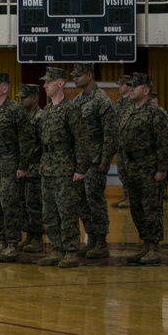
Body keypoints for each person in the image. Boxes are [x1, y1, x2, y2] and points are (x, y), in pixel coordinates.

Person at [36, 67, 91, 268]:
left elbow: (82, 140)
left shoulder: (71, 109)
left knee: (66, 211)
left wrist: (80, 168)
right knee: (49, 212)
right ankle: (56, 249)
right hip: (48, 168)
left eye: (48, 82)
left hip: (65, 169)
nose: (45, 86)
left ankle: (70, 251)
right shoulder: (46, 111)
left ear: (60, 83)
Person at [0, 73, 35, 263]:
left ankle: (12, 244)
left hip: (10, 163)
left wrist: (23, 165)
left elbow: (27, 139)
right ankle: (2, 241)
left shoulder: (15, 110)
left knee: (9, 205)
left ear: (5, 88)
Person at [119, 73, 168, 264]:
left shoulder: (155, 113)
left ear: (146, 90)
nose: (131, 89)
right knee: (137, 208)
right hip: (132, 167)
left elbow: (164, 143)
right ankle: (146, 244)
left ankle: (154, 247)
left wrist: (162, 169)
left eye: (135, 86)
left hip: (149, 167)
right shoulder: (128, 111)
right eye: (130, 86)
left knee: (151, 208)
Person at [70, 63, 118, 259]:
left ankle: (101, 242)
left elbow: (111, 133)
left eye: (79, 75)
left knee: (95, 201)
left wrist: (106, 159)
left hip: (96, 160)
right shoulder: (78, 100)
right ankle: (91, 238)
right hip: (81, 161)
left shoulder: (102, 100)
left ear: (89, 76)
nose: (75, 78)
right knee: (81, 201)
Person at [17, 83, 45, 253]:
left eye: (24, 97)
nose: (21, 100)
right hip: (23, 167)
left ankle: (37, 238)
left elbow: (43, 144)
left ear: (34, 98)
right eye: (20, 97)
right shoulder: (22, 117)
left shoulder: (40, 117)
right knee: (24, 204)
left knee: (35, 205)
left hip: (35, 167)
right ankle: (29, 235)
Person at [111, 74, 134, 209]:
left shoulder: (133, 101)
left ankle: (131, 197)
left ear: (128, 85)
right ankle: (125, 195)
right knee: (122, 171)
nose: (119, 87)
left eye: (121, 84)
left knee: (130, 171)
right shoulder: (119, 102)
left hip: (129, 143)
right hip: (119, 143)